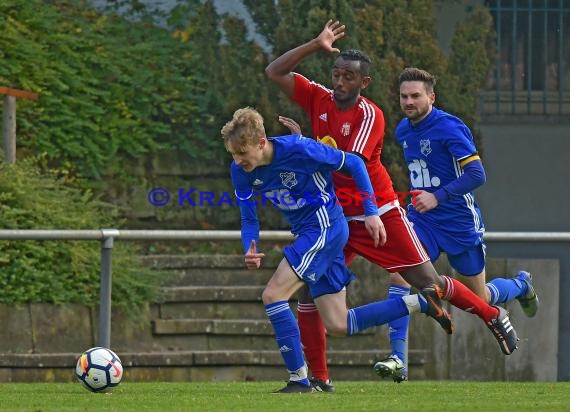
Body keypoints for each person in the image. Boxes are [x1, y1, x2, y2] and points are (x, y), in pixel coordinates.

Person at [265, 19, 519, 389]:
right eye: (335, 74)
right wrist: (315, 44)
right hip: (335, 218)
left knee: (429, 284)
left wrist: (302, 147)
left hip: (378, 214)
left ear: (363, 83)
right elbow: (274, 71)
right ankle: (317, 380)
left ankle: (491, 314)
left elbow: (349, 162)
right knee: (308, 290)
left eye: (348, 77)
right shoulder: (318, 98)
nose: (339, 82)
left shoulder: (370, 115)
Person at [221, 107, 452, 393]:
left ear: (260, 142)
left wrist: (371, 212)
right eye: (233, 154)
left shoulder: (301, 149)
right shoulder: (240, 170)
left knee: (273, 295)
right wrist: (250, 247)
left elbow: (354, 164)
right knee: (338, 323)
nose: (237, 160)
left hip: (325, 227)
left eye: (242, 153)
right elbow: (248, 218)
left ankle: (299, 379)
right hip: (312, 233)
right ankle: (421, 304)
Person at [371, 67, 540, 379]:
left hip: (460, 223)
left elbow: (478, 175)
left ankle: (521, 285)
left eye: (415, 96)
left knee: (479, 299)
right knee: (399, 276)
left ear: (431, 97)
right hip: (422, 222)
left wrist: (438, 196)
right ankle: (398, 360)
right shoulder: (402, 130)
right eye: (404, 96)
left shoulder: (450, 127)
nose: (408, 101)